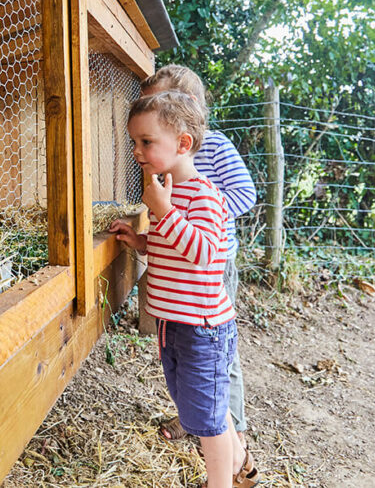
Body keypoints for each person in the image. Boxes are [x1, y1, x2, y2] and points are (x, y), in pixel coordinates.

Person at [109, 91, 257, 488]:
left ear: (183, 143)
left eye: (146, 142)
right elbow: (173, 248)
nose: (137, 151)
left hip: (202, 329)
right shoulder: (168, 190)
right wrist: (140, 241)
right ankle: (240, 460)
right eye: (135, 142)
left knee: (206, 422)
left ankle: (221, 482)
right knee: (198, 405)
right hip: (174, 324)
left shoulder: (204, 195)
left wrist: (164, 212)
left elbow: (206, 253)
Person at [139, 65, 257, 449]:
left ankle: (231, 429)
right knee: (190, 360)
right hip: (180, 252)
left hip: (211, 263)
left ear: (184, 106)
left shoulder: (216, 148)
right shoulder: (163, 156)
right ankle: (199, 417)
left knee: (217, 357)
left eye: (157, 101)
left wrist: (198, 211)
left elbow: (244, 194)